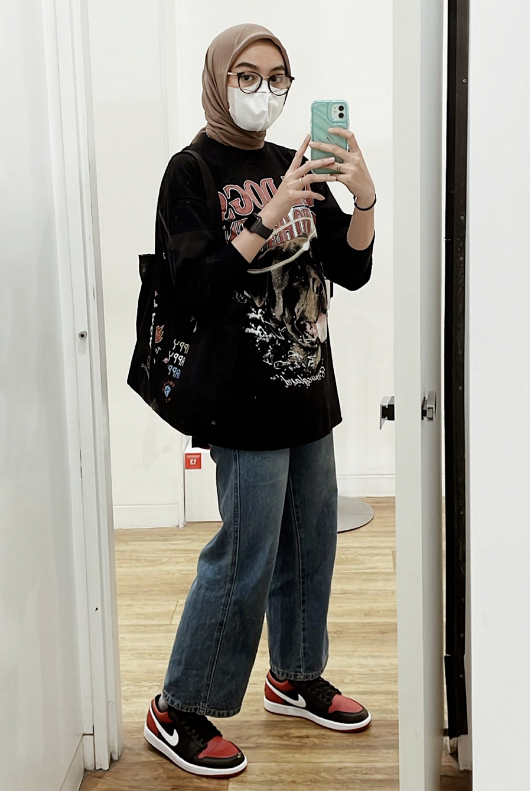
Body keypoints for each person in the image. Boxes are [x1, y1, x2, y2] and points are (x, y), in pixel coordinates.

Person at [142, 22, 377, 778]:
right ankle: (179, 706)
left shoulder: (289, 161)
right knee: (244, 555)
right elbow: (195, 287)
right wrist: (266, 217)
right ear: (219, 80)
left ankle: (295, 675)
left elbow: (350, 267)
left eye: (277, 78)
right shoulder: (190, 171)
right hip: (239, 402)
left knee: (311, 546)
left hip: (307, 389)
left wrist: (363, 197)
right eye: (247, 75)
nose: (263, 91)